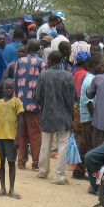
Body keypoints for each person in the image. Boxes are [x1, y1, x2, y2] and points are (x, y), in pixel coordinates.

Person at [36, 51, 75, 185]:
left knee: (45, 144)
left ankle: (43, 171)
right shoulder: (68, 76)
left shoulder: (43, 75)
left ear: (51, 60)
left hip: (47, 114)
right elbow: (72, 98)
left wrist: (43, 107)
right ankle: (59, 176)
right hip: (64, 115)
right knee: (63, 145)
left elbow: (38, 97)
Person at [14, 39, 46, 170]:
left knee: (21, 132)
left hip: (20, 102)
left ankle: (21, 161)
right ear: (38, 49)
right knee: (35, 134)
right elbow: (43, 83)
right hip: (35, 103)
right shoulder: (41, 62)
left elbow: (15, 80)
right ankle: (36, 162)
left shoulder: (19, 61)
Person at [0, 79, 23, 199]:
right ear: (3, 89)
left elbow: (20, 121)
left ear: (14, 89)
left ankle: (12, 189)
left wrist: (18, 139)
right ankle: (2, 188)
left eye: (11, 88)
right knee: (1, 163)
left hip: (11, 138)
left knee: (11, 162)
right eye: (6, 88)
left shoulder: (17, 102)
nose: (9, 90)